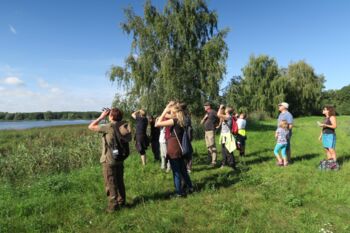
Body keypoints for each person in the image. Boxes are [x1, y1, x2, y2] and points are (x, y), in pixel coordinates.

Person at [88, 108, 126, 212]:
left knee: (110, 182)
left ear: (112, 116)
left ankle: (113, 206)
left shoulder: (108, 127)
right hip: (120, 158)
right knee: (119, 181)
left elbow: (90, 126)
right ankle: (121, 201)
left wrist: (101, 117)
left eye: (109, 115)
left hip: (109, 159)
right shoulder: (123, 126)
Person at [155, 103, 193, 197]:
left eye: (171, 111)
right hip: (180, 148)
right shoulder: (182, 119)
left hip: (173, 149)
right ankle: (190, 187)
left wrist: (164, 110)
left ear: (174, 112)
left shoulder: (174, 121)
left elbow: (157, 124)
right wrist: (169, 108)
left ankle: (179, 192)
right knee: (183, 170)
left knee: (176, 172)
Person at [217, 105, 236, 169]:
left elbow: (218, 115)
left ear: (227, 111)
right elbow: (220, 117)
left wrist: (220, 107)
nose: (225, 109)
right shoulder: (226, 116)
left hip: (227, 136)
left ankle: (232, 165)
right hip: (223, 135)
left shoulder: (228, 117)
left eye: (226, 109)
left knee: (228, 151)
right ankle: (224, 163)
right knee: (223, 151)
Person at [200, 102, 218, 167]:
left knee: (212, 146)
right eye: (204, 106)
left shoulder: (213, 112)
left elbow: (219, 117)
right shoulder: (207, 114)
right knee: (208, 146)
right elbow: (201, 122)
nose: (204, 107)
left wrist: (218, 125)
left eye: (205, 106)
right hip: (206, 132)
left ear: (209, 106)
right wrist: (205, 118)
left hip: (211, 131)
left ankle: (214, 162)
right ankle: (209, 160)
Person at [179, 102, 193, 173]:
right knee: (186, 150)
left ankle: (188, 167)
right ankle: (187, 167)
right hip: (186, 134)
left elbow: (185, 124)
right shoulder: (186, 114)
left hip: (186, 134)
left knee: (186, 151)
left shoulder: (185, 115)